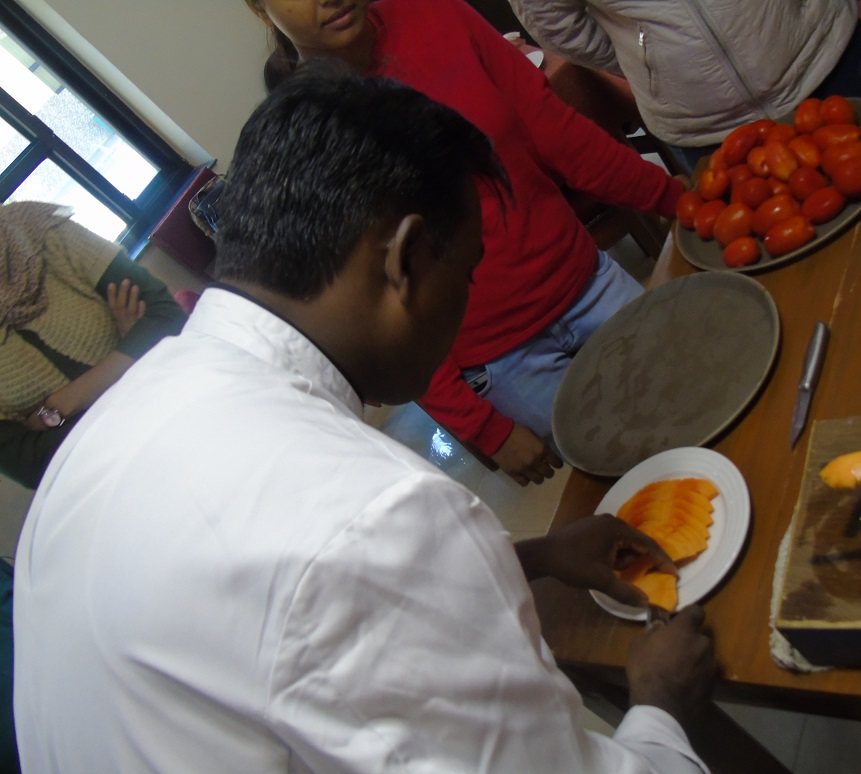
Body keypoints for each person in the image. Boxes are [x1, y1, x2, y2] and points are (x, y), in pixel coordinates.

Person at [13, 68, 716, 773]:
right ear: (406, 260)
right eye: (467, 274)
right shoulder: (379, 514)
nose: (465, 304)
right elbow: (335, 573)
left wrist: (530, 558)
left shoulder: (108, 430)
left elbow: (270, 628)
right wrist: (660, 704)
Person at [246, 0, 689, 487]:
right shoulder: (308, 133)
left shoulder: (436, 13)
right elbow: (376, 315)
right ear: (260, 9)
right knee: (644, 477)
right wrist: (483, 428)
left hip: (585, 281)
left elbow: (558, 133)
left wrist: (677, 199)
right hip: (504, 363)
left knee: (693, 397)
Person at [508, 0, 861, 173]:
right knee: (795, 280)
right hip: (703, 126)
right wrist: (653, 62)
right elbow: (554, 21)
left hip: (824, 54)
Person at [0, 202, 186, 489]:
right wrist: (132, 355)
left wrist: (63, 405)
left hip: (186, 404)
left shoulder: (36, 227)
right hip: (124, 481)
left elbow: (167, 317)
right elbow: (35, 467)